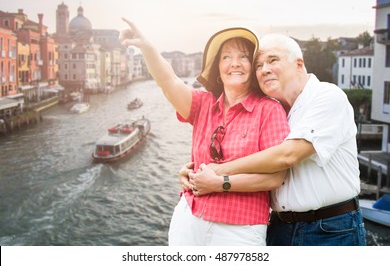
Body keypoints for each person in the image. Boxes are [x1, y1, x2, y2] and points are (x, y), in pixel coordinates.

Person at [184, 33, 367, 246]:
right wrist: (194, 172)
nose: (264, 69)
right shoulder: (274, 111)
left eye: (272, 60)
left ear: (299, 64)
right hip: (279, 228)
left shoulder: (327, 96)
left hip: (330, 228)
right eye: (259, 65)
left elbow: (287, 155)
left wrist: (216, 171)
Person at [119, 19, 290, 246]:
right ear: (218, 69)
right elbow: (168, 81)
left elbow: (276, 176)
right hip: (190, 217)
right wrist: (146, 47)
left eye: (243, 57)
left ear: (252, 66)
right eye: (226, 57)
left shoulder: (268, 110)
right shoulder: (203, 104)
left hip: (240, 228)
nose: (234, 63)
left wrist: (221, 183)